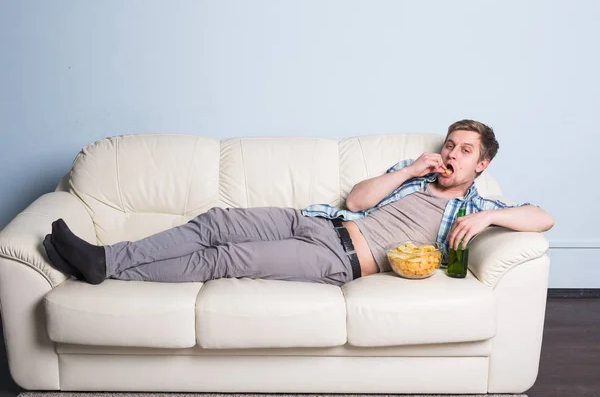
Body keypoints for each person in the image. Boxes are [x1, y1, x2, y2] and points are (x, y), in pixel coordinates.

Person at [43, 119, 554, 286]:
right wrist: (414, 169)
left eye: (465, 151)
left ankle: (105, 268)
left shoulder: (471, 208)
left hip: (340, 258)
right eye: (450, 145)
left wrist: (488, 212)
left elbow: (543, 217)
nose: (452, 154)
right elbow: (356, 199)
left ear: (481, 164)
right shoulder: (414, 174)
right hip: (318, 222)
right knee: (215, 221)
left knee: (223, 259)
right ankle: (105, 257)